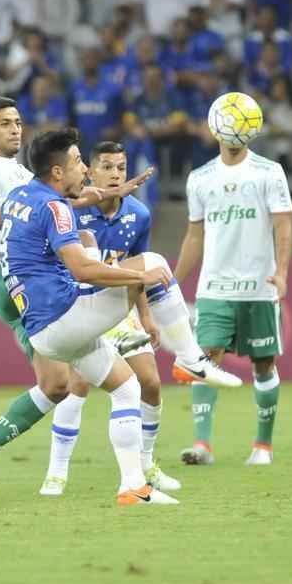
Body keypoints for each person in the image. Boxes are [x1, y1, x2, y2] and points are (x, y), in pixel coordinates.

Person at [0, 127, 233, 506]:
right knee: (153, 262)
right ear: (57, 172)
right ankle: (189, 359)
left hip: (42, 328)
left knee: (126, 387)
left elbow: (62, 220)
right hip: (65, 315)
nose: (84, 169)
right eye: (77, 162)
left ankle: (133, 487)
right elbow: (83, 271)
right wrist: (138, 276)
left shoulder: (21, 195)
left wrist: (108, 198)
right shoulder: (56, 209)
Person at [39, 139, 182, 496]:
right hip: (82, 307)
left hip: (121, 308)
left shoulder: (139, 214)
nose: (116, 173)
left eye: (121, 166)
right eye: (107, 166)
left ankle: (146, 466)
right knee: (78, 384)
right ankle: (56, 472)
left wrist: (147, 317)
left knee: (149, 382)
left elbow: (139, 270)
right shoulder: (70, 209)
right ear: (91, 170)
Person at [174, 103, 292, 467]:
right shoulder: (200, 178)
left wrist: (283, 272)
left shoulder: (269, 173)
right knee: (205, 357)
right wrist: (174, 282)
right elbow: (194, 236)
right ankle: (203, 445)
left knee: (263, 364)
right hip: (214, 288)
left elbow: (283, 224)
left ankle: (263, 446)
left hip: (258, 287)